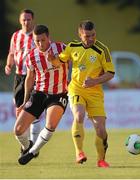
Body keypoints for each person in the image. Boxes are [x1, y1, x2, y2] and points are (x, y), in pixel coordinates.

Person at [50, 20, 115, 168]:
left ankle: (101, 160)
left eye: (93, 35)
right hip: (76, 88)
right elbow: (58, 62)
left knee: (101, 129)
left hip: (95, 93)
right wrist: (52, 59)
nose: (91, 38)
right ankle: (79, 152)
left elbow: (111, 73)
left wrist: (95, 81)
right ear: (80, 35)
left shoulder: (102, 50)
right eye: (87, 36)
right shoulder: (72, 46)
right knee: (78, 115)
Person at [14, 24, 68, 165]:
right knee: (18, 130)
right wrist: (25, 101)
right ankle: (28, 147)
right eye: (37, 41)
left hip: (58, 95)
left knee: (50, 124)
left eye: (43, 40)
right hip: (39, 93)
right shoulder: (31, 56)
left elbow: (71, 62)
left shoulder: (61, 48)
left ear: (48, 37)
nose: (40, 43)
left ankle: (32, 153)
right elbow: (29, 78)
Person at [5, 9, 41, 145]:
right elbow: (11, 53)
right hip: (19, 76)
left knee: (32, 109)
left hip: (34, 76)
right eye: (23, 19)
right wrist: (8, 65)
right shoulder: (15, 36)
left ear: (33, 20)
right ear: (20, 21)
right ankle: (26, 145)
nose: (26, 22)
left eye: (28, 19)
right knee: (19, 109)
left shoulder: (37, 35)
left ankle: (33, 144)